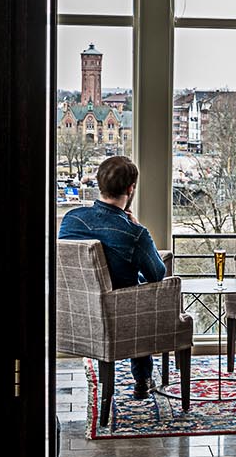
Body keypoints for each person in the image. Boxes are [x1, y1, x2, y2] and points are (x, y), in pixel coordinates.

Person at [59, 155, 167, 399]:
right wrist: (138, 228)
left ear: (99, 184)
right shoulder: (133, 232)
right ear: (131, 188)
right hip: (122, 318)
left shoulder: (71, 219)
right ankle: (143, 378)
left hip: (78, 313)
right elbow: (158, 275)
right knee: (139, 291)